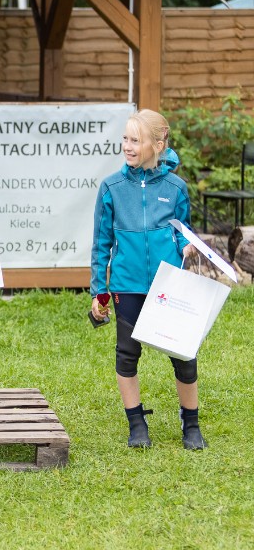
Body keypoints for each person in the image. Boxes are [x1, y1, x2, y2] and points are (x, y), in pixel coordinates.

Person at [90, 109, 204, 450]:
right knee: (127, 354)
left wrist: (187, 247)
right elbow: (101, 244)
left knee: (184, 356)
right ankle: (136, 423)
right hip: (126, 285)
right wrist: (99, 290)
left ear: (158, 144)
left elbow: (182, 231)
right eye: (125, 139)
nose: (127, 146)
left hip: (168, 285)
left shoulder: (176, 188)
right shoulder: (111, 188)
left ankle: (191, 423)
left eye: (135, 140)